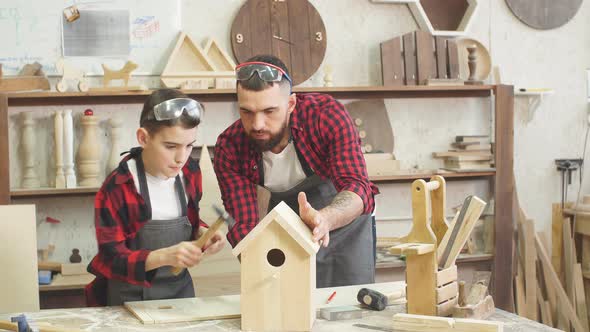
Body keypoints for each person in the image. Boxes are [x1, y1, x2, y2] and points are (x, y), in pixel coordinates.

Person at [214, 55, 379, 287]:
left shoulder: (325, 116)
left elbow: (358, 188)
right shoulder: (230, 147)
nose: (257, 124)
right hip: (288, 229)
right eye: (247, 112)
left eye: (269, 111)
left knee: (348, 304)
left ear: (291, 104)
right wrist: (260, 266)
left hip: (342, 222)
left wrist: (325, 219)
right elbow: (245, 224)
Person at [85, 89, 225, 306]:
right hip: (128, 298)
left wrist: (204, 233)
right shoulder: (118, 187)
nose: (181, 158)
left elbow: (189, 220)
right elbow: (111, 260)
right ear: (143, 138)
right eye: (171, 146)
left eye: (189, 145)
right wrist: (165, 256)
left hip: (180, 293)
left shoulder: (190, 173)